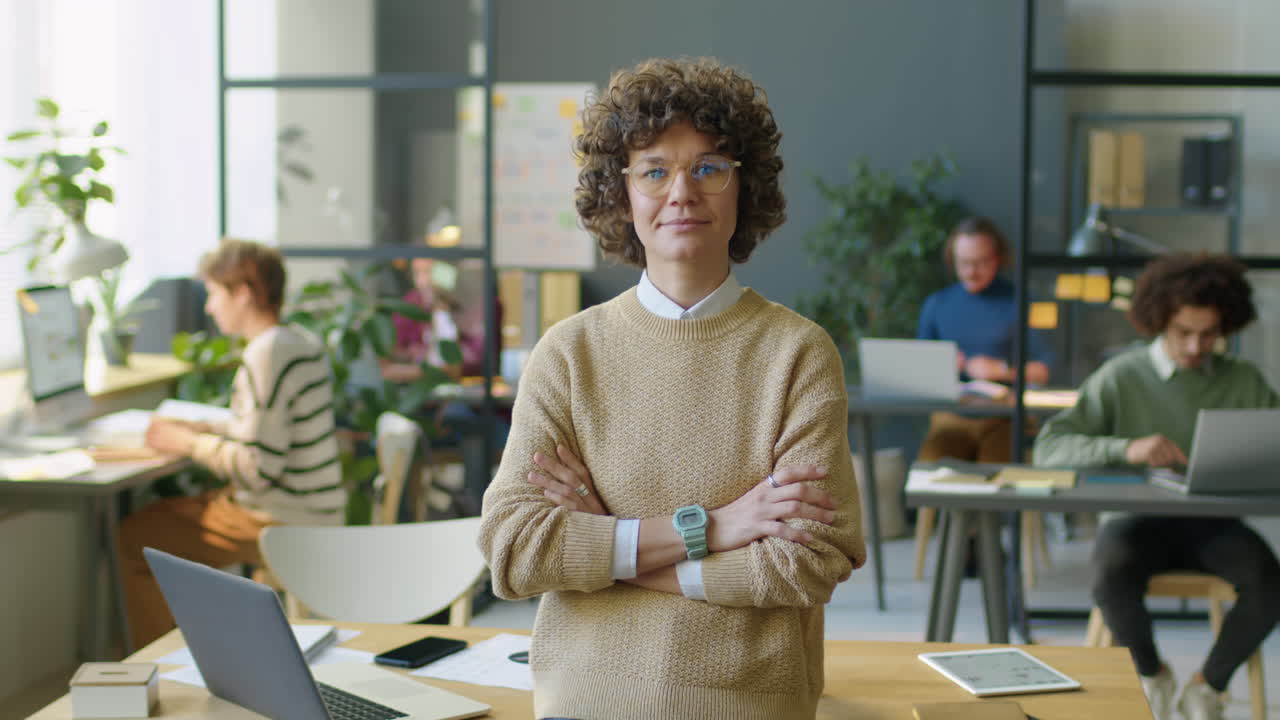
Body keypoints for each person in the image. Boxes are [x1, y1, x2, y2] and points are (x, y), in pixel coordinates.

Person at [477, 57, 864, 720]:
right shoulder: (568, 355)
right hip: (585, 695)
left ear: (745, 188)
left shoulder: (797, 354)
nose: (681, 192)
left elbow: (811, 560)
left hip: (747, 699)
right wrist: (710, 528)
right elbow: (514, 550)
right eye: (655, 170)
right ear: (621, 193)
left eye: (709, 168)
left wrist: (611, 544)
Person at [1034, 253, 1280, 720]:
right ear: (1159, 320)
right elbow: (1051, 446)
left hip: (1213, 525)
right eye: (1183, 331)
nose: (1195, 346)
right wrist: (1126, 448)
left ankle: (1208, 687)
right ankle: (1151, 674)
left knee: (1269, 582)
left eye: (1208, 334)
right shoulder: (1122, 376)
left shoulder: (1242, 380)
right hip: (1135, 521)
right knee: (1111, 575)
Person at [118, 238, 345, 649]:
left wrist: (187, 444)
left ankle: (166, 667)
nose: (209, 307)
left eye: (214, 294)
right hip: (315, 506)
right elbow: (268, 431)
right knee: (165, 521)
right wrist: (206, 427)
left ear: (244, 292)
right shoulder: (296, 341)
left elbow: (258, 469)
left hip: (281, 517)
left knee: (138, 538)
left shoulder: (267, 353)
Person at [915, 217, 1052, 464]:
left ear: (998, 258)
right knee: (931, 470)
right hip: (951, 417)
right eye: (963, 263)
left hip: (1006, 416)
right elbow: (919, 371)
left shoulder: (1021, 302)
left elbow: (1043, 371)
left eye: (980, 263)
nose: (971, 272)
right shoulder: (937, 304)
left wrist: (1001, 370)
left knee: (996, 479)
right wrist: (943, 367)